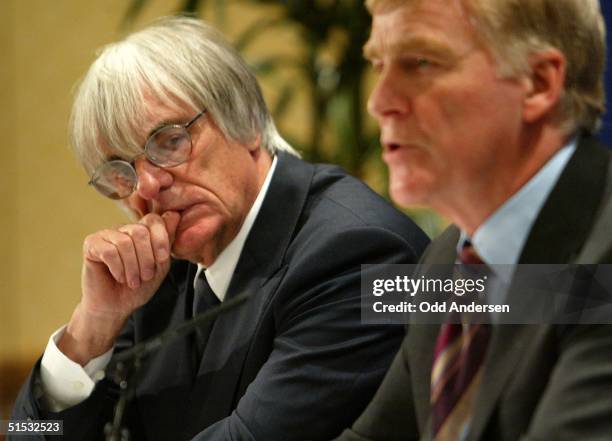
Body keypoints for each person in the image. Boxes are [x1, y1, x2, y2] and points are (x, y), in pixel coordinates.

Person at [10, 17, 430, 441]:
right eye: (122, 171)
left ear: (245, 120)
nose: (149, 185)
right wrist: (91, 328)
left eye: (170, 141)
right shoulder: (157, 274)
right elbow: (29, 434)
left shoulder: (358, 255)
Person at [335, 0, 612, 440]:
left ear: (539, 83)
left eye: (420, 62)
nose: (379, 101)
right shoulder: (446, 258)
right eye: (378, 64)